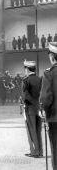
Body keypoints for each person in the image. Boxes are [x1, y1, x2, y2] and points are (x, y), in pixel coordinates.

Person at [40, 42, 57, 170]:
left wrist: (43, 110)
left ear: (52, 56)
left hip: (55, 119)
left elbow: (46, 98)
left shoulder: (49, 74)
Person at [22, 60, 43, 158]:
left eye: (25, 69)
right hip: (38, 108)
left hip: (30, 108)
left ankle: (35, 152)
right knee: (38, 130)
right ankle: (40, 151)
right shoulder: (40, 79)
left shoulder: (26, 80)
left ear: (27, 69)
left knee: (31, 130)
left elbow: (25, 96)